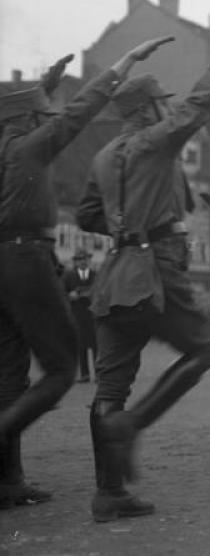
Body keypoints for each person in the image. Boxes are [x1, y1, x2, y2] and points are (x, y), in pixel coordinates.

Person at [76, 0, 210, 523]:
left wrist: (125, 224)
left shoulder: (103, 157)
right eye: (160, 104)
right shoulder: (155, 142)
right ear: (147, 110)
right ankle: (133, 425)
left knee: (109, 386)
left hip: (115, 276)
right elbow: (202, 102)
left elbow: (87, 215)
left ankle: (109, 493)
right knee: (201, 352)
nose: (168, 109)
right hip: (156, 270)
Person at [1, 38, 171, 511]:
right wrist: (124, 64)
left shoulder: (5, 145)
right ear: (26, 121)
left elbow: (37, 112)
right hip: (26, 258)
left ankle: (7, 481)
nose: (45, 121)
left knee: (9, 376)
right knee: (60, 369)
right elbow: (76, 115)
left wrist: (45, 86)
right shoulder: (28, 150)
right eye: (39, 116)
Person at [64, 249, 99, 383]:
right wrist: (69, 296)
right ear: (75, 262)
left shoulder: (96, 275)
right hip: (77, 315)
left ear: (89, 260)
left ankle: (98, 373)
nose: (83, 262)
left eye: (85, 259)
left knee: (96, 345)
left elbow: (104, 291)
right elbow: (60, 292)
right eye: (79, 259)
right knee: (81, 345)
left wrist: (93, 294)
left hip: (93, 314)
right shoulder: (69, 276)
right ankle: (85, 374)